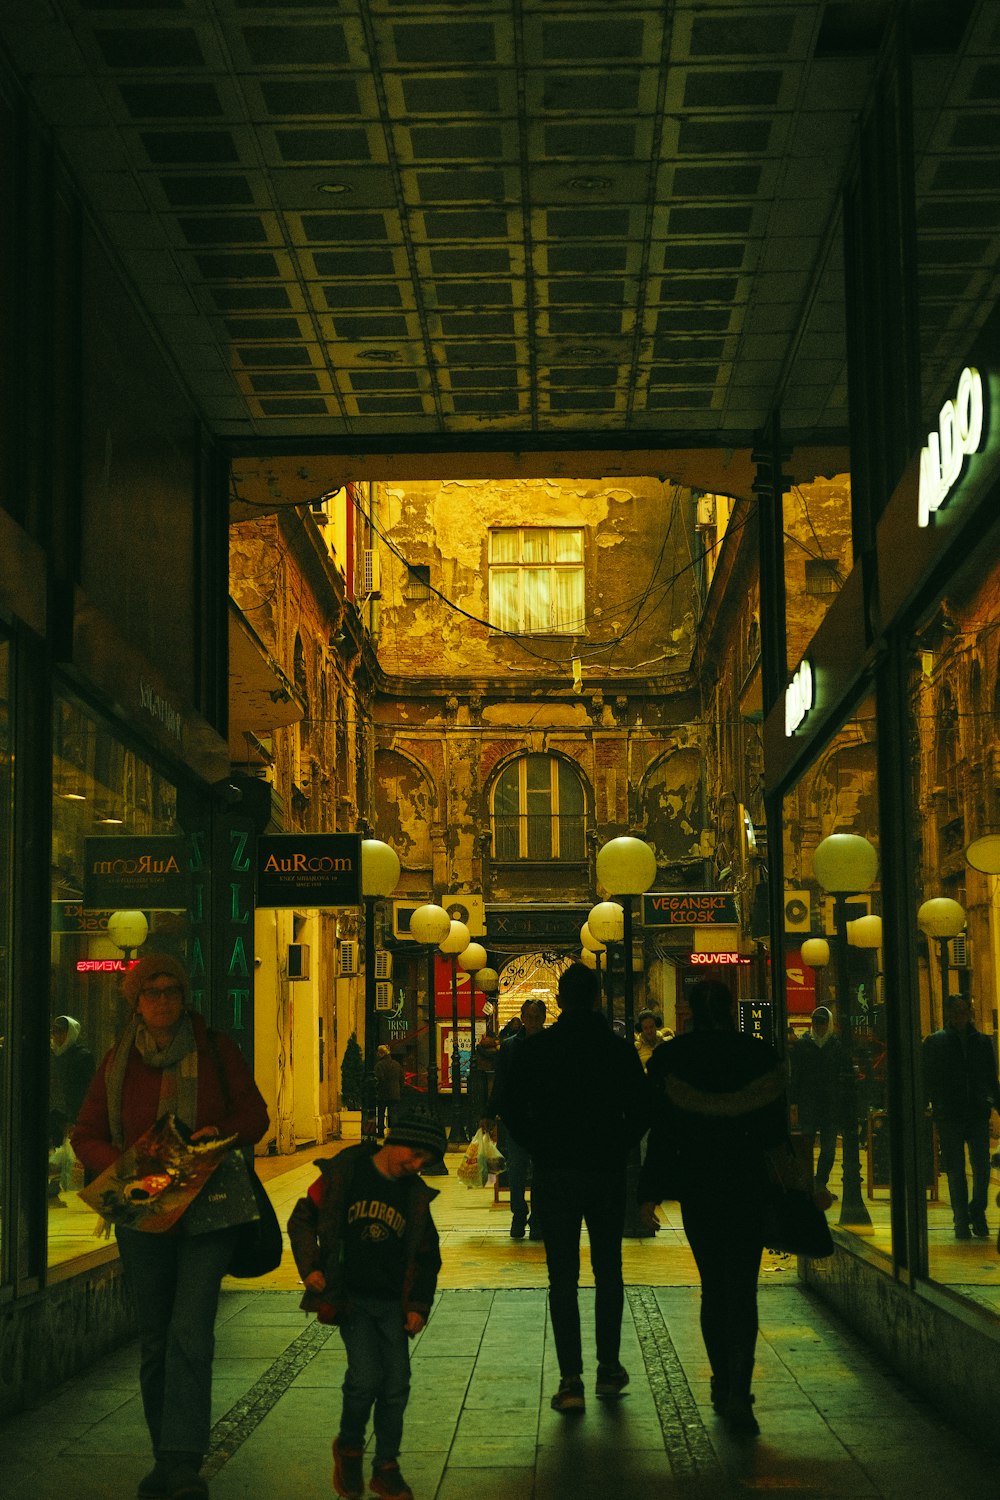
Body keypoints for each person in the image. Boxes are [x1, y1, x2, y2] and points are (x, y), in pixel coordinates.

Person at [72, 954, 269, 1500]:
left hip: (207, 1210)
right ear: (135, 1002)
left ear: (185, 997)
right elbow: (84, 1130)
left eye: (172, 990)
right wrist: (124, 1165)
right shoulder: (117, 1061)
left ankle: (184, 1461)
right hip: (143, 1212)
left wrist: (218, 1134)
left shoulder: (215, 1050)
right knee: (157, 1339)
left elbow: (255, 1117)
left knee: (190, 1333)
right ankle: (166, 1457)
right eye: (151, 992)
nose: (163, 1000)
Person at [639, 979, 787, 1438]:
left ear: (690, 1011)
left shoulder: (671, 1059)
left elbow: (659, 1133)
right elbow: (776, 1135)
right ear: (732, 1007)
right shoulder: (759, 1056)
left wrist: (648, 1192)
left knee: (713, 1286)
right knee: (742, 1287)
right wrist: (795, 1188)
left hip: (699, 1187)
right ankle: (740, 1390)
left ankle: (722, 1381)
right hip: (747, 1186)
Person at [502, 963, 647, 1413]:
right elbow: (642, 1111)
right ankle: (608, 1367)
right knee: (609, 1270)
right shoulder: (618, 1051)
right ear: (599, 998)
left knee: (561, 1277)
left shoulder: (537, 1050)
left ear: (561, 1001)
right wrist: (616, 1147)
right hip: (604, 1174)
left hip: (556, 1173)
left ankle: (571, 1379)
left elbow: (510, 1106)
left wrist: (540, 1145)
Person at [287, 1109, 445, 1500]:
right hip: (352, 1298)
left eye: (425, 1161)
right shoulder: (345, 1177)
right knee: (365, 1377)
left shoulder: (414, 1198)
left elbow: (427, 1255)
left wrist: (418, 1306)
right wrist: (311, 1268)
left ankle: (386, 1466)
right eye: (414, 1154)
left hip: (394, 1301)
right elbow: (302, 1219)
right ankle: (351, 1447)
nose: (416, 1164)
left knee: (396, 1384)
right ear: (395, 1141)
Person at [922, 993, 1000, 1239]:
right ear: (948, 1015)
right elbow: (928, 1078)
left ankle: (977, 1211)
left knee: (982, 1169)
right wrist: (928, 1105)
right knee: (956, 1170)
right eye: (955, 1012)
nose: (960, 1016)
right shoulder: (935, 1043)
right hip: (949, 1114)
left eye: (963, 1010)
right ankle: (960, 1219)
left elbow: (990, 1078)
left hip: (977, 1112)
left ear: (969, 1012)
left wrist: (996, 1103)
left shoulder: (983, 1043)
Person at [485, 998, 546, 1240]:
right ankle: (519, 1214)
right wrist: (489, 1113)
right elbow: (500, 1082)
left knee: (541, 1171)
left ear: (542, 1018)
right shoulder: (510, 1047)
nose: (532, 1021)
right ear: (522, 1017)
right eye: (529, 1016)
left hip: (543, 1119)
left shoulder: (550, 1045)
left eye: (537, 1016)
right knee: (518, 1170)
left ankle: (538, 1218)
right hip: (517, 1119)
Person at [788, 1005, 844, 1198]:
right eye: (816, 1023)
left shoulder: (835, 1045)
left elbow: (840, 1075)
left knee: (828, 1149)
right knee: (806, 1144)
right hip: (808, 1103)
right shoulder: (803, 1045)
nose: (819, 1027)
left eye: (822, 1023)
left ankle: (820, 1183)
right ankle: (807, 1183)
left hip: (829, 1104)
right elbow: (795, 1076)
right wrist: (793, 1103)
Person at [48, 1014, 94, 1202]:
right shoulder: (51, 1054)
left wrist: (77, 1117)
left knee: (70, 1154)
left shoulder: (82, 1056)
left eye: (61, 1032)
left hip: (73, 1114)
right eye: (55, 1031)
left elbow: (86, 1088)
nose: (57, 1036)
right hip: (53, 1113)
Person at [374, 1045, 405, 1138]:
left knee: (381, 1114)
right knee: (393, 1113)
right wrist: (399, 1089)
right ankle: (394, 1133)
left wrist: (377, 1090)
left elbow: (378, 1080)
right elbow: (401, 1079)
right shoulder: (396, 1064)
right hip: (395, 1093)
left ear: (381, 1053)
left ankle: (380, 1132)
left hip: (382, 1093)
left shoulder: (379, 1065)